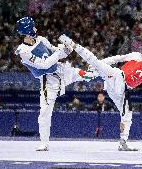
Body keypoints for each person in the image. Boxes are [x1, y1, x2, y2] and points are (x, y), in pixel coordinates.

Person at [59, 35, 142, 151]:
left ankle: (123, 142)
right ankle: (73, 46)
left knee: (128, 114)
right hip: (117, 76)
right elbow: (117, 58)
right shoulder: (136, 56)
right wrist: (102, 63)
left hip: (120, 90)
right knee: (95, 67)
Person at [15, 17, 96, 151]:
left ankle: (107, 71)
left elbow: (54, 52)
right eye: (33, 27)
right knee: (45, 112)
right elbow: (43, 64)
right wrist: (60, 52)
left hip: (61, 70)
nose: (35, 29)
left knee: (87, 75)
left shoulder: (41, 39)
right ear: (27, 31)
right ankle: (44, 143)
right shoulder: (23, 51)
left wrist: (67, 49)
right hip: (48, 81)